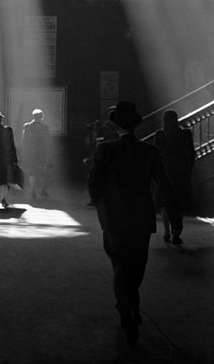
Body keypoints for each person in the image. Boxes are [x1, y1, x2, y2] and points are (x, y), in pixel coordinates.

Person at [88, 101, 182, 344]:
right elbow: (165, 185)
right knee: (136, 265)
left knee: (119, 264)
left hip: (114, 216)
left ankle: (126, 309)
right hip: (141, 216)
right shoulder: (148, 152)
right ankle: (131, 305)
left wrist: (101, 204)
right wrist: (175, 216)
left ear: (115, 124)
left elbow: (94, 183)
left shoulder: (105, 150)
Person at [154, 110, 196, 243]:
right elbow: (191, 153)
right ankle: (176, 232)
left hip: (165, 172)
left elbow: (157, 154)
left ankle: (167, 231)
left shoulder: (160, 134)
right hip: (181, 173)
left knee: (165, 202)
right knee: (179, 203)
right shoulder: (185, 134)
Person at [20, 109, 52, 199]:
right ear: (42, 117)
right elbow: (47, 141)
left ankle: (33, 190)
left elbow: (23, 141)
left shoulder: (27, 126)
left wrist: (24, 152)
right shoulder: (44, 127)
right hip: (41, 153)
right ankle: (42, 190)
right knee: (42, 172)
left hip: (30, 153)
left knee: (32, 173)